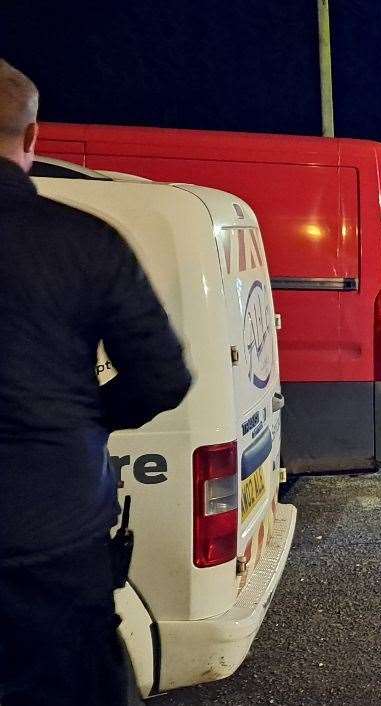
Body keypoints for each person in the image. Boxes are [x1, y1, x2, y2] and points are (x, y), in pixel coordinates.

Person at [0, 59, 193, 705]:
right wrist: (82, 419)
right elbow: (162, 377)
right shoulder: (84, 241)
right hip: (51, 526)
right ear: (31, 138)